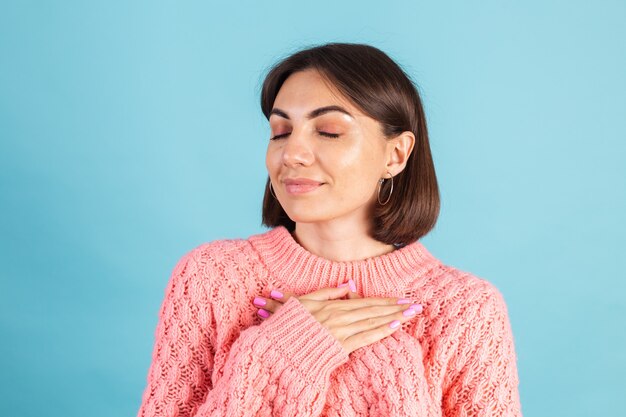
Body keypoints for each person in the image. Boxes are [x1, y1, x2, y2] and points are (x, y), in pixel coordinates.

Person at [136, 42, 523, 417]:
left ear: (396, 154)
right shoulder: (212, 277)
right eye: (281, 132)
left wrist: (382, 364)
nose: (292, 154)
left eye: (329, 131)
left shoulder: (465, 309)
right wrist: (283, 350)